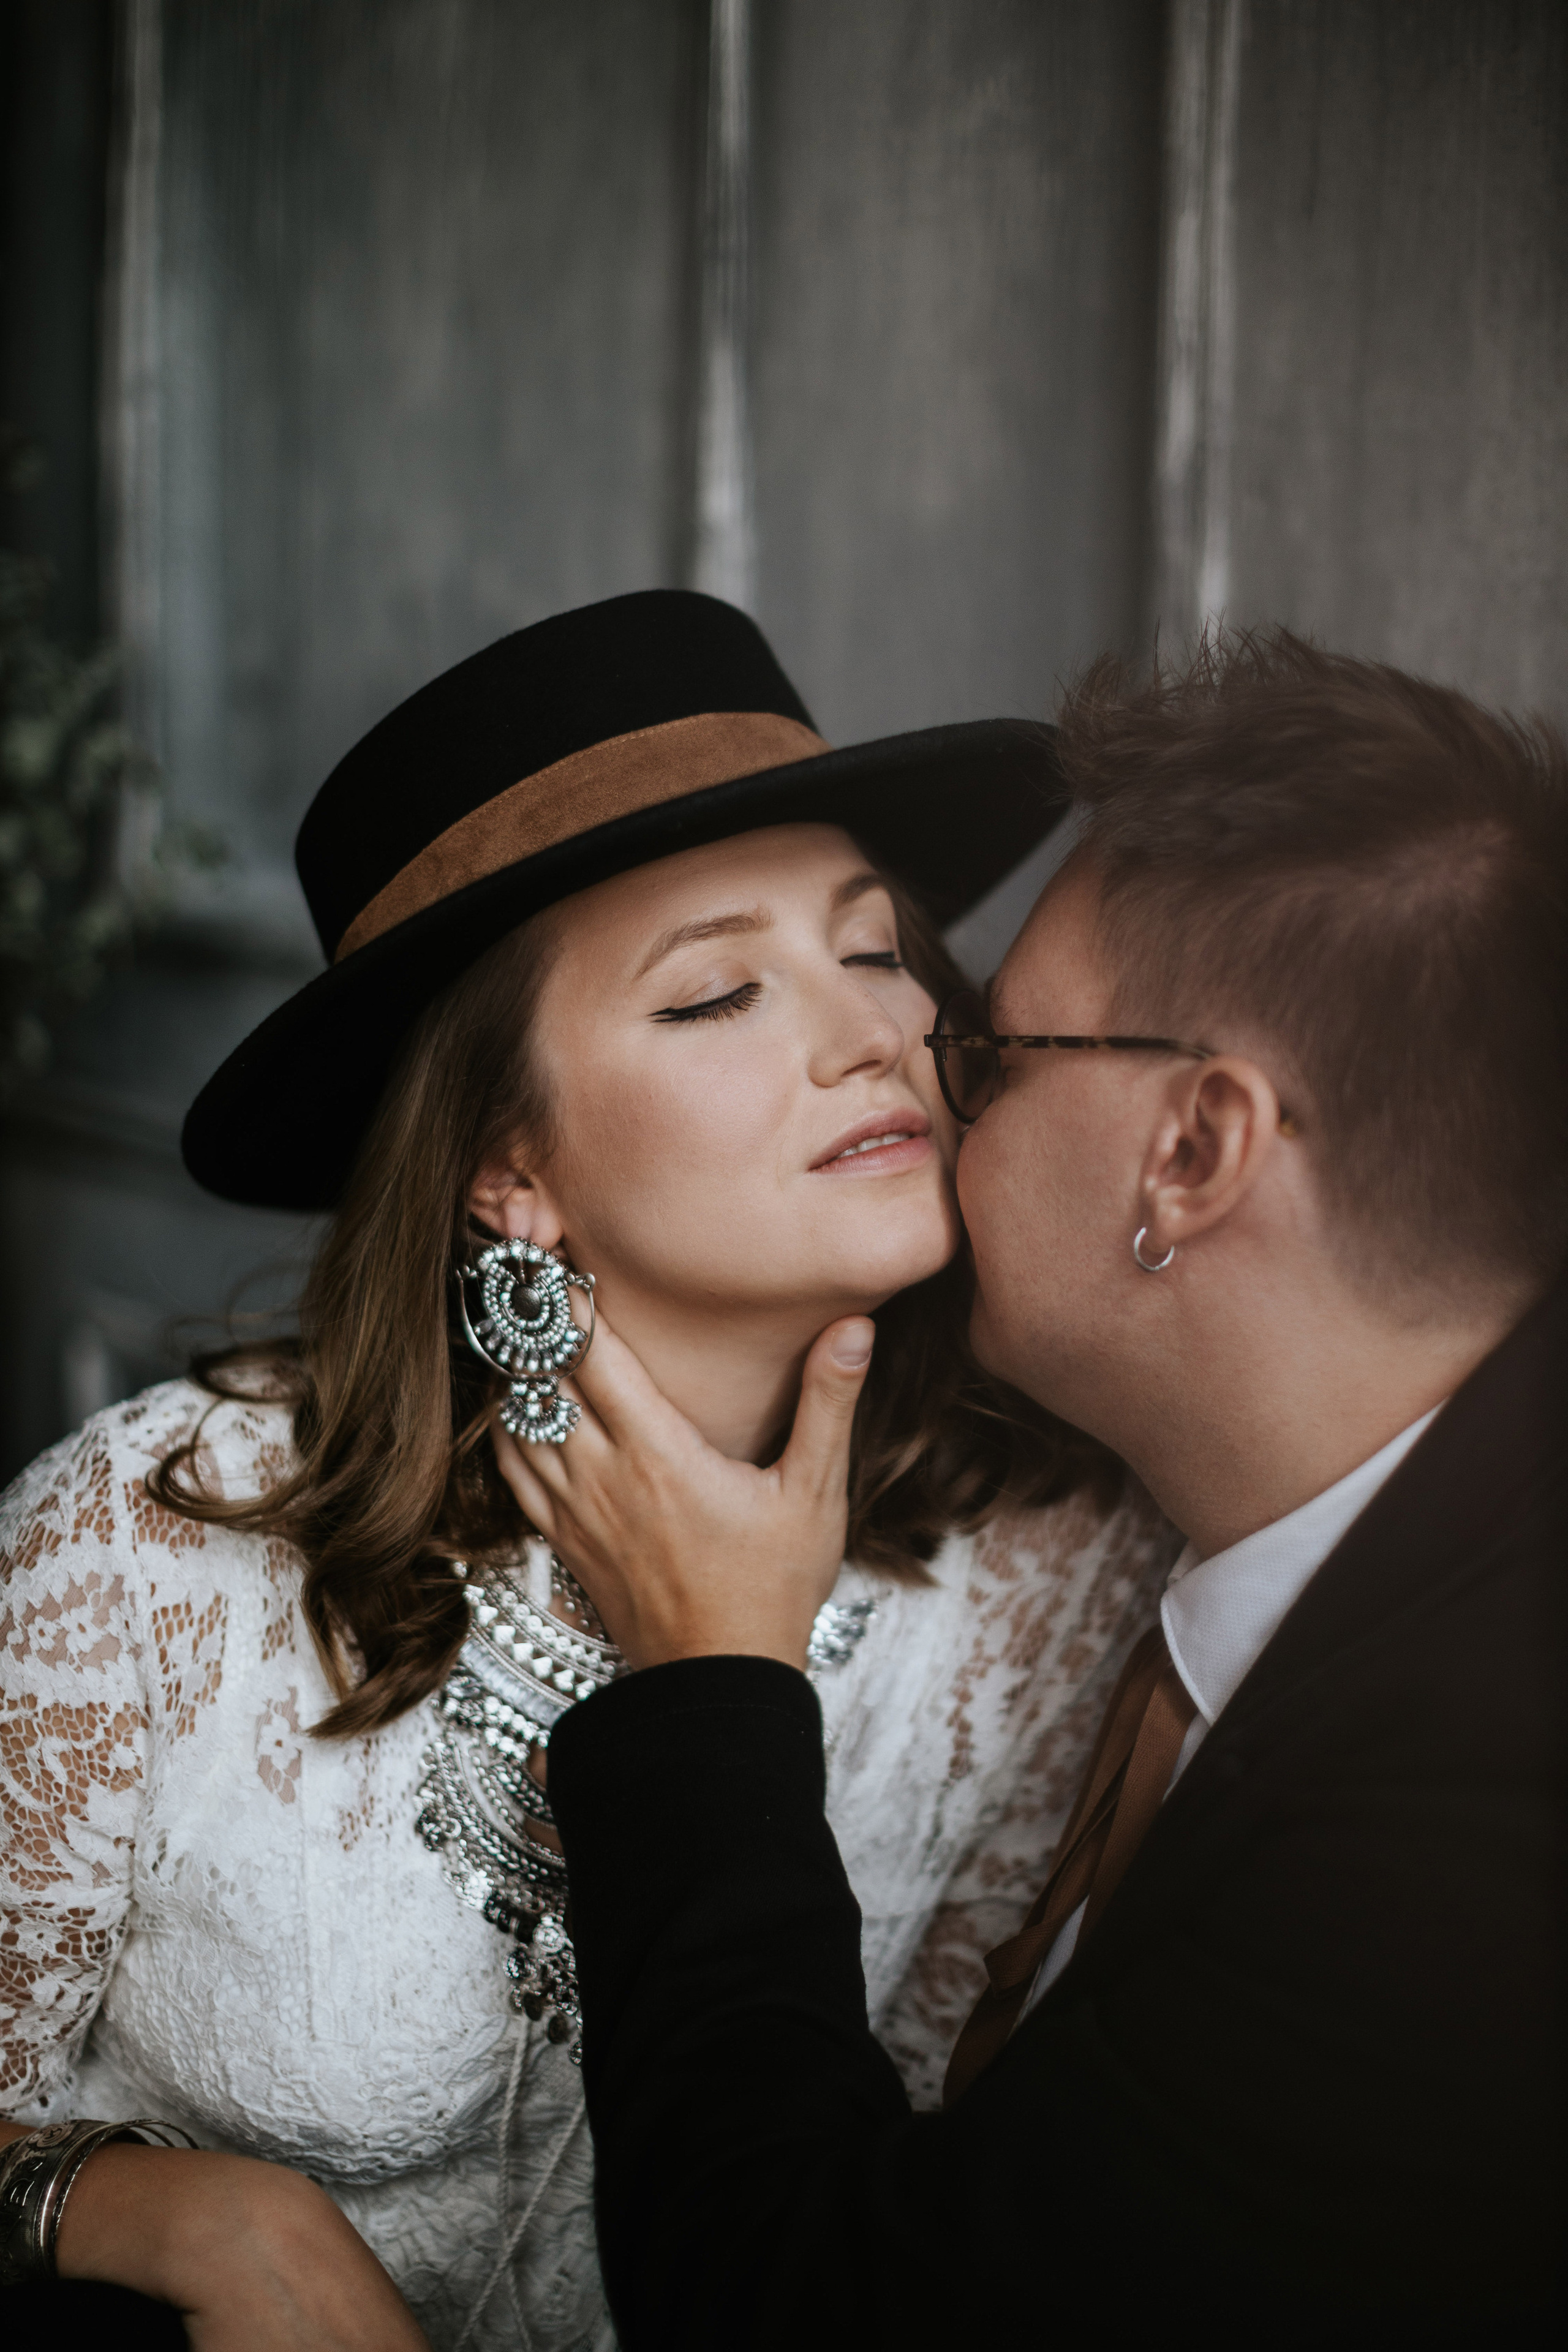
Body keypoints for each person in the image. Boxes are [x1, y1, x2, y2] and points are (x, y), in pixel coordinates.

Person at [0, 590, 1175, 2348]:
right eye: (716, 992)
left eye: (875, 949)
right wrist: (181, 2216)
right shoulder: (154, 1543)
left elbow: (907, 2206)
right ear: (507, 1169)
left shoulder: (1049, 1567)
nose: (874, 1032)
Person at [519, 631, 1567, 2343]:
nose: (914, 1060)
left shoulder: (1456, 1863)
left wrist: (713, 1685)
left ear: (1196, 1150)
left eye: (1000, 1053)